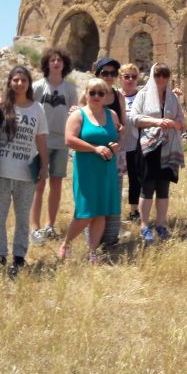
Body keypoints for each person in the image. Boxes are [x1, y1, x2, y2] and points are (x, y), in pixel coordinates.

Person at [0, 66, 48, 277]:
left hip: (26, 172)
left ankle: (19, 257)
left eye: (23, 80)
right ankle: (0, 255)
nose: (19, 84)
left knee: (23, 217)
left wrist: (44, 166)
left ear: (29, 83)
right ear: (9, 82)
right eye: (15, 80)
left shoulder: (37, 109)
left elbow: (41, 138)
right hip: (1, 171)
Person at [58, 78, 121, 263]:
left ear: (106, 96)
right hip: (87, 168)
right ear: (86, 93)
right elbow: (69, 140)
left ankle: (92, 252)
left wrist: (114, 146)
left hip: (106, 168)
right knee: (86, 212)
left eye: (100, 93)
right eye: (92, 92)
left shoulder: (112, 115)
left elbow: (116, 139)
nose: (96, 96)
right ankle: (66, 243)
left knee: (101, 211)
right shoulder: (78, 115)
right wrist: (95, 148)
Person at [128, 62, 185, 244]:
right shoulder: (143, 95)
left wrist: (173, 124)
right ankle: (144, 225)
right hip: (148, 148)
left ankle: (161, 224)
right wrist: (156, 122)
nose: (161, 79)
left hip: (168, 148)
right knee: (148, 187)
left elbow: (181, 121)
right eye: (158, 75)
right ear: (152, 76)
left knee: (163, 188)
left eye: (165, 75)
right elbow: (134, 118)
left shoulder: (172, 98)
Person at [77, 58, 128, 249]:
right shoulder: (88, 93)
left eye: (112, 73)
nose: (108, 76)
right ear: (97, 74)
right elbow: (78, 118)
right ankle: (92, 241)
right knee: (93, 196)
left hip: (113, 154)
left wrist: (119, 140)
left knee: (112, 194)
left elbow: (123, 125)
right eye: (104, 73)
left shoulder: (118, 96)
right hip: (91, 154)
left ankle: (110, 238)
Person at [30, 47, 79, 243]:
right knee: (39, 184)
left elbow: (74, 113)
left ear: (64, 64)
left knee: (56, 183)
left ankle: (50, 224)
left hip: (61, 141)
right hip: (41, 141)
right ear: (47, 64)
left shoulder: (70, 90)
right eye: (52, 60)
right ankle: (35, 227)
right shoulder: (38, 87)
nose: (56, 63)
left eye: (59, 60)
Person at [119, 63, 143, 222]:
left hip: (136, 143)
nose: (130, 80)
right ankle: (112, 212)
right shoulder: (113, 95)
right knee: (116, 178)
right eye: (126, 76)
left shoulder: (142, 96)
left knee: (136, 178)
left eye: (133, 77)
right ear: (120, 78)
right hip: (118, 144)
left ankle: (134, 211)